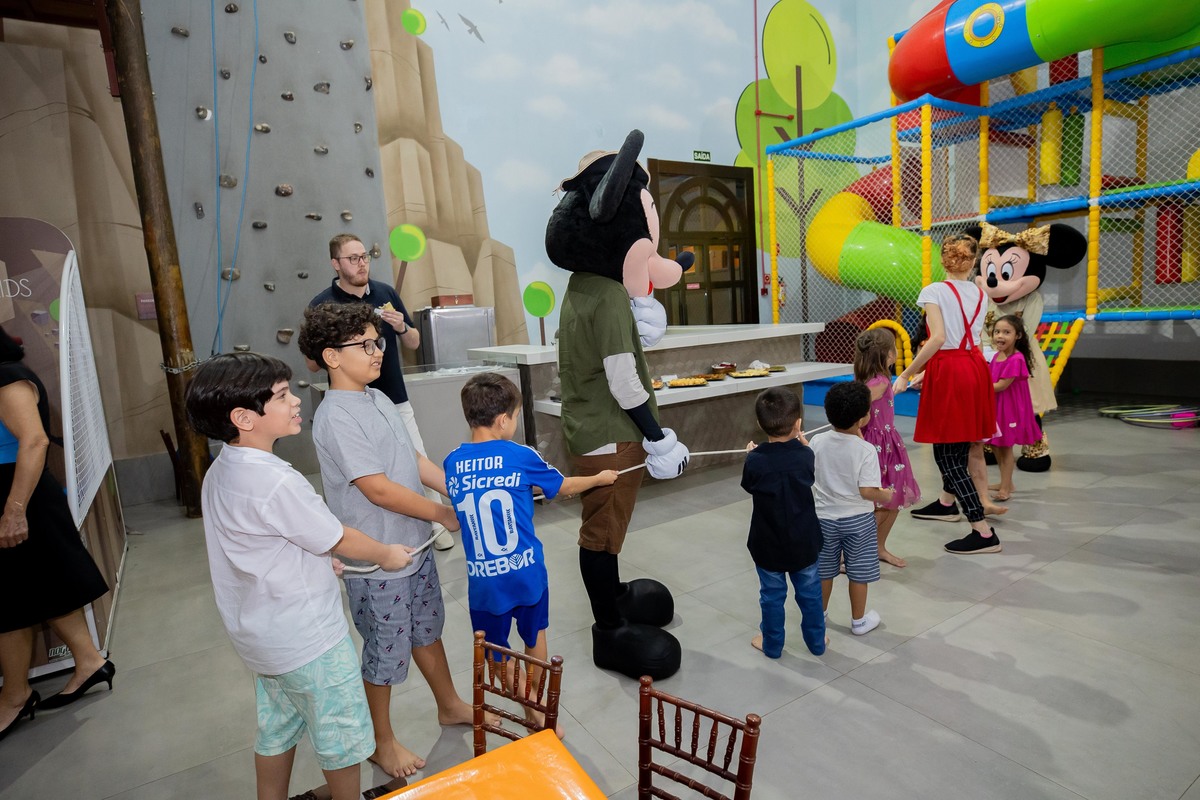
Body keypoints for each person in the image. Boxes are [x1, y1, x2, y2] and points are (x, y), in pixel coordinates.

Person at [185, 352, 413, 800]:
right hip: (310, 641)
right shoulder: (277, 481)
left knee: (277, 727)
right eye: (282, 395)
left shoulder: (222, 471)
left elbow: (257, 546)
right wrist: (385, 553)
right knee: (341, 735)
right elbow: (337, 536)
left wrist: (313, 562)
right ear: (243, 418)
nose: (295, 402)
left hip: (263, 639)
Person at [299, 303, 472, 780]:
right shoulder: (336, 416)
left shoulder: (376, 398)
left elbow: (412, 460)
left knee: (426, 630)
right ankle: (381, 741)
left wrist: (458, 492)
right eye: (366, 345)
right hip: (377, 560)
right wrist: (442, 513)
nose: (378, 352)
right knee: (385, 649)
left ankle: (449, 705)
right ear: (332, 357)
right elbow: (376, 489)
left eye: (378, 342)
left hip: (412, 546)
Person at [443, 372, 617, 732]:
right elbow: (564, 486)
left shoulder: (452, 461)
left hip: (485, 581)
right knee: (535, 635)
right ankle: (537, 711)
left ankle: (531, 708)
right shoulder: (521, 455)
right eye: (516, 416)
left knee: (494, 650)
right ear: (503, 420)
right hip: (527, 572)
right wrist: (599, 479)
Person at [308, 233, 455, 552]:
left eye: (365, 256)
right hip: (352, 406)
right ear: (335, 264)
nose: (362, 264)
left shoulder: (386, 292)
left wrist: (401, 326)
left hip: (391, 397)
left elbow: (414, 341)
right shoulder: (322, 304)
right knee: (371, 476)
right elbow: (310, 362)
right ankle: (385, 536)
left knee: (412, 456)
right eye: (353, 258)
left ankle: (433, 524)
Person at [0, 327, 113, 741]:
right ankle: (89, 661)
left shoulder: (6, 376)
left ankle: (14, 696)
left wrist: (14, 511)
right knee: (44, 586)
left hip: (18, 495)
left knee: (10, 601)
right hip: (19, 496)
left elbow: (34, 441)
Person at [894, 232, 1003, 554]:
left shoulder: (934, 291)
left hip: (952, 372)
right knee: (958, 445)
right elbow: (966, 342)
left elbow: (939, 338)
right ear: (974, 261)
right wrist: (928, 372)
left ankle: (982, 531)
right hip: (973, 369)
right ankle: (945, 504)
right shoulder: (981, 294)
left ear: (943, 258)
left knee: (946, 455)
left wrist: (906, 373)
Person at [740, 387, 826, 659]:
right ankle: (817, 641)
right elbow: (809, 472)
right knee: (810, 594)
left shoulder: (756, 460)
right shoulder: (806, 455)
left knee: (772, 596)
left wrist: (751, 456)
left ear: (759, 423)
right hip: (804, 540)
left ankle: (772, 644)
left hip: (768, 542)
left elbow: (749, 485)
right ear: (798, 423)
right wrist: (804, 444)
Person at [810, 381, 892, 636]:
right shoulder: (866, 450)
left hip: (823, 518)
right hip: (858, 520)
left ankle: (819, 616)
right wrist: (886, 495)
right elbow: (867, 491)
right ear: (863, 418)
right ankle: (858, 621)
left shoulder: (817, 441)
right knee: (858, 573)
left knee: (824, 571)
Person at [854, 329, 921, 569]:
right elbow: (859, 413)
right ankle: (855, 551)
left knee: (893, 498)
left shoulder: (878, 380)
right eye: (894, 348)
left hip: (887, 444)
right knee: (885, 500)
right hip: (878, 447)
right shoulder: (879, 382)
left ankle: (878, 547)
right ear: (888, 354)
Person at [986, 315, 1041, 501]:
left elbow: (1001, 385)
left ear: (1017, 336)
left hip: (1009, 409)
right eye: (997, 332)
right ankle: (1006, 482)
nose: (1000, 336)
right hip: (996, 406)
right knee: (995, 444)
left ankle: (1006, 488)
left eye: (1006, 332)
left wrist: (976, 387)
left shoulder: (1016, 359)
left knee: (1006, 448)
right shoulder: (997, 356)